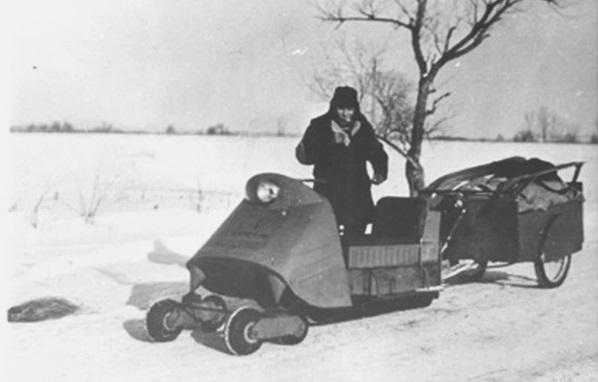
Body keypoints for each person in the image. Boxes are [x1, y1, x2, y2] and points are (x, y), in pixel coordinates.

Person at [296, 86, 388, 236]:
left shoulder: (363, 127)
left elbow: (377, 151)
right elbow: (307, 155)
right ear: (334, 107)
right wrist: (330, 142)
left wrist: (380, 171)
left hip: (357, 191)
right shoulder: (319, 126)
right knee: (326, 230)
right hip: (328, 188)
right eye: (341, 109)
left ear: (355, 109)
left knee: (357, 228)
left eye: (350, 109)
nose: (345, 113)